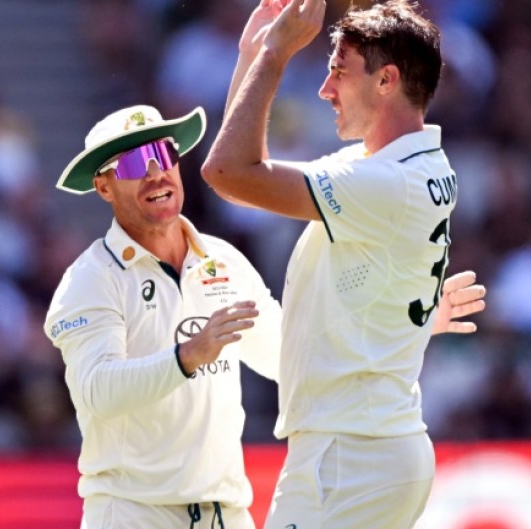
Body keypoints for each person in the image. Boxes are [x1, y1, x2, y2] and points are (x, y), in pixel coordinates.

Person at [45, 102, 484, 528]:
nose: (155, 171)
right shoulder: (90, 279)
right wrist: (187, 356)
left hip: (226, 513)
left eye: (162, 154)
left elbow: (292, 357)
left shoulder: (223, 261)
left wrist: (405, 320)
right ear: (103, 187)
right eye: (132, 163)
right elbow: (95, 392)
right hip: (132, 514)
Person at [201, 1, 484, 528]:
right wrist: (250, 55)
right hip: (367, 449)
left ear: (387, 81)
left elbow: (227, 171)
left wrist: (274, 55)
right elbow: (242, 179)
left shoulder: (384, 182)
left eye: (338, 71)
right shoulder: (391, 163)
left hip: (350, 457)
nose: (324, 89)